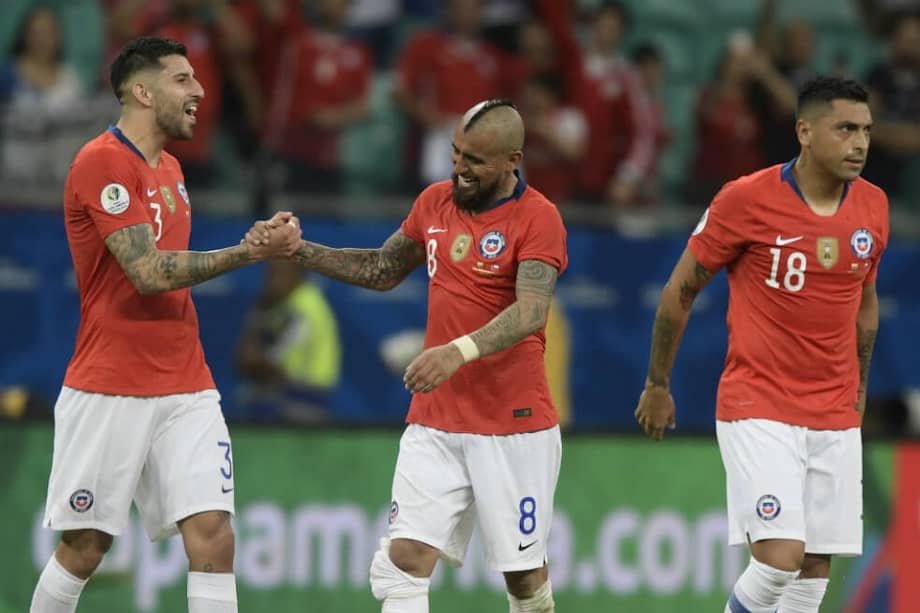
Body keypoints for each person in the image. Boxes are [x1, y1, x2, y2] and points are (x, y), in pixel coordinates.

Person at [247, 98, 567, 612]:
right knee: (402, 563)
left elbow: (531, 311)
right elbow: (380, 268)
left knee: (524, 580)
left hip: (513, 425)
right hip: (435, 422)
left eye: (476, 161)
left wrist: (456, 352)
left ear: (514, 159)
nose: (460, 169)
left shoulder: (539, 218)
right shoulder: (434, 203)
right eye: (456, 154)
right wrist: (297, 251)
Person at [29, 37, 301, 613]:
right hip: (110, 384)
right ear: (142, 91)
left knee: (214, 537)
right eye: (182, 80)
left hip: (186, 384)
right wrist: (248, 252)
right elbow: (149, 273)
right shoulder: (100, 162)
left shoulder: (173, 169)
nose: (199, 91)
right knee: (85, 545)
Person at [635, 76, 887, 613]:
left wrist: (859, 389)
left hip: (834, 412)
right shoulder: (746, 199)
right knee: (779, 557)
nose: (860, 143)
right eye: (845, 129)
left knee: (814, 568)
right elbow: (679, 293)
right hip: (760, 404)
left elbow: (865, 304)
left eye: (866, 130)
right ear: (805, 132)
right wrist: (658, 383)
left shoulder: (874, 208)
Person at [235, 261, 342, 423]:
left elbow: (263, 363)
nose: (272, 281)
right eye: (270, 275)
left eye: (280, 275)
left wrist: (254, 359)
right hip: (289, 391)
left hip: (307, 397)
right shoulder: (284, 303)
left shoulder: (306, 307)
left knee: (253, 398)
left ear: (298, 275)